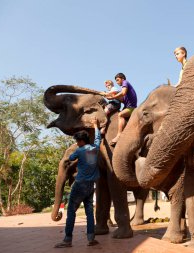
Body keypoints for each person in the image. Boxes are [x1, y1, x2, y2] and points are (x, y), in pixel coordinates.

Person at [54, 117, 101, 248]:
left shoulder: (79, 150)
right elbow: (98, 139)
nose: (77, 143)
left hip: (80, 185)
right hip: (91, 186)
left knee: (71, 211)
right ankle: (91, 238)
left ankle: (67, 240)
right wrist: (96, 126)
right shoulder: (94, 148)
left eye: (77, 141)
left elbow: (70, 158)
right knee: (89, 212)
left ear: (80, 141)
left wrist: (75, 156)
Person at [105, 73, 137, 146]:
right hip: (127, 107)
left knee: (120, 115)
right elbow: (121, 98)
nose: (117, 82)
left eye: (118, 80)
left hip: (131, 108)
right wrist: (110, 95)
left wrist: (112, 97)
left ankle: (119, 135)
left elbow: (123, 93)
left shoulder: (125, 83)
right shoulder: (124, 91)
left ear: (122, 79)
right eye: (116, 81)